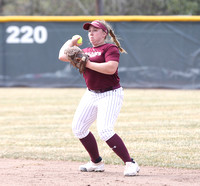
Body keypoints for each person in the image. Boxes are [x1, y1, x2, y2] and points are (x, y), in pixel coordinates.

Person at [58, 20, 140, 176]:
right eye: (89, 30)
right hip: (91, 94)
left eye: (95, 30)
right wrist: (71, 41)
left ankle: (130, 163)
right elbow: (62, 55)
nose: (91, 33)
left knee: (105, 130)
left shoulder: (110, 48)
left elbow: (110, 68)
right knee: (79, 128)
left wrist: (86, 62)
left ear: (104, 34)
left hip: (110, 94)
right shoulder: (85, 50)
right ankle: (96, 162)